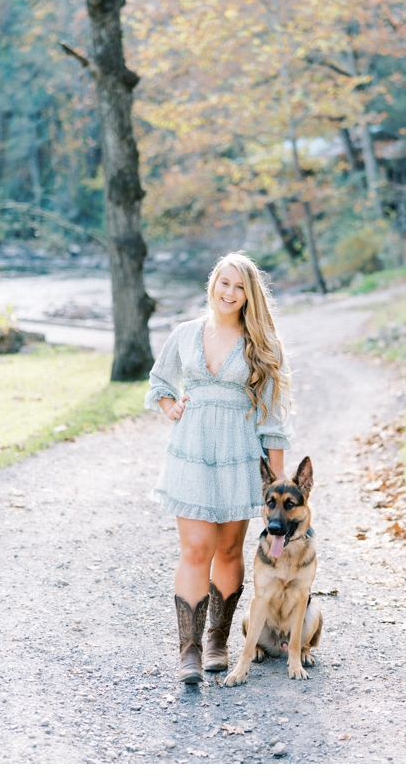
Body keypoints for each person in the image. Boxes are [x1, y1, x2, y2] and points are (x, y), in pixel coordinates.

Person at [145, 252, 293, 683]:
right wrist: (171, 406)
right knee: (195, 549)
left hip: (239, 455)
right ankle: (188, 652)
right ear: (212, 283)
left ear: (249, 295)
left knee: (228, 550)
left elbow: (274, 416)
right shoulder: (185, 334)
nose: (229, 292)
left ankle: (216, 642)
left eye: (239, 286)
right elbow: (160, 382)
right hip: (190, 451)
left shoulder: (262, 345)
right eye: (223, 282)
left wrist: (277, 480)